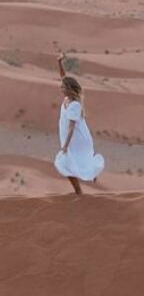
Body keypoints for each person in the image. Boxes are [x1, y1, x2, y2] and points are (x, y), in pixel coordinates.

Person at [54, 53, 104, 195]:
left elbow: (71, 128)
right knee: (70, 163)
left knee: (66, 163)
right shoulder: (67, 98)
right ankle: (84, 183)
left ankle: (79, 191)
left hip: (76, 138)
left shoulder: (75, 105)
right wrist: (59, 62)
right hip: (69, 138)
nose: (60, 88)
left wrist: (65, 146)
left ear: (69, 88)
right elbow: (63, 76)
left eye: (63, 87)